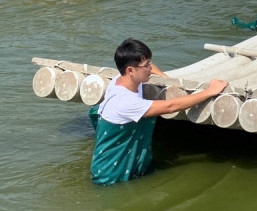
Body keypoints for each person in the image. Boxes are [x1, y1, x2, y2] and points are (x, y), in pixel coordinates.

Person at [90, 38, 227, 185]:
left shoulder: (123, 79)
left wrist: (164, 77)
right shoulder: (125, 101)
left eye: (149, 63)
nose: (150, 68)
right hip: (111, 175)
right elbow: (170, 107)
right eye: (146, 66)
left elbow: (145, 65)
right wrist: (210, 91)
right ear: (130, 70)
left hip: (118, 164)